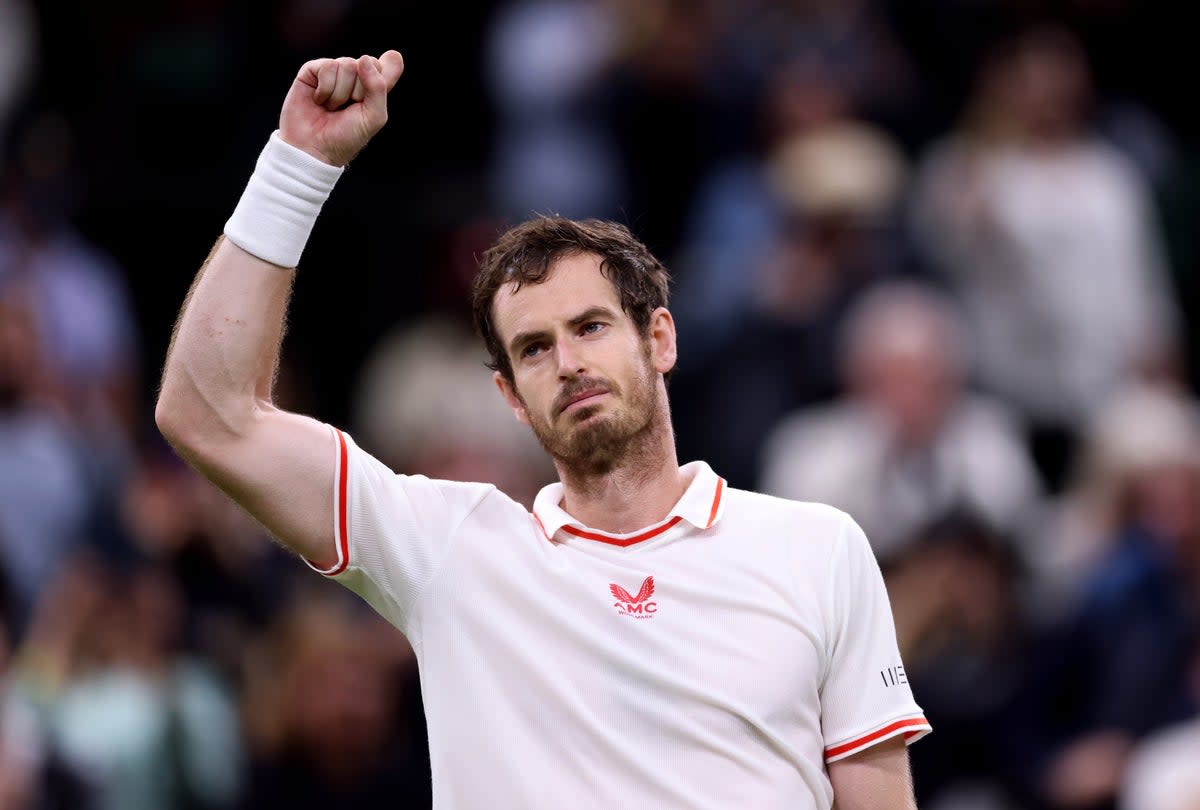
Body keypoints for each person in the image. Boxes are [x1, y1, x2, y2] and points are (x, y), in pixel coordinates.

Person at [155, 50, 930, 809]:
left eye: (591, 326)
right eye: (533, 348)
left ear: (659, 338)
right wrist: (298, 167)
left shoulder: (819, 548)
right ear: (511, 396)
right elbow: (208, 416)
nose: (566, 362)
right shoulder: (449, 549)